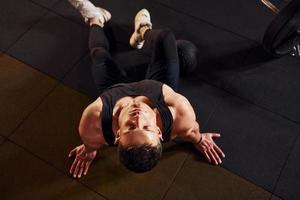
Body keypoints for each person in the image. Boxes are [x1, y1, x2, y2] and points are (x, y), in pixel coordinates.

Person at [67, 0, 225, 178]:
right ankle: (142, 29)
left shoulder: (93, 121)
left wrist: (89, 150)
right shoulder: (178, 112)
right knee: (166, 37)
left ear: (118, 135)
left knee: (99, 55)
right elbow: (190, 131)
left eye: (131, 127)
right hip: (158, 86)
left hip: (114, 88)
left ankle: (95, 18)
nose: (138, 117)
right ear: (158, 131)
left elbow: (91, 143)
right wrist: (199, 139)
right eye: (147, 127)